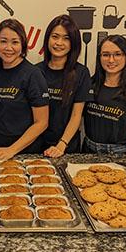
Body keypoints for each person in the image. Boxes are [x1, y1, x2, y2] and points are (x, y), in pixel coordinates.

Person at [0, 18, 49, 163]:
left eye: (15, 42)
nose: (8, 47)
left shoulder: (33, 74)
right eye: (3, 41)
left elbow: (42, 122)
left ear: (23, 45)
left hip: (24, 153)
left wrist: (12, 150)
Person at [37, 14, 93, 157]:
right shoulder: (35, 71)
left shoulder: (81, 73)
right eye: (55, 36)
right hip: (36, 145)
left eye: (66, 38)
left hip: (66, 147)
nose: (59, 43)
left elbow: (76, 115)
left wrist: (61, 145)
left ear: (73, 43)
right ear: (47, 39)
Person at [84, 35, 126, 154]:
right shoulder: (89, 85)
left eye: (118, 54)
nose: (111, 60)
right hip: (88, 150)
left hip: (119, 153)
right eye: (106, 55)